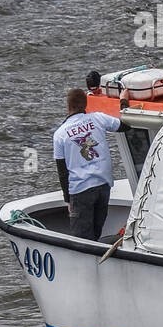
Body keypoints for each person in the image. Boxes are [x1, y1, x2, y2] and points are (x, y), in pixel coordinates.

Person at [53, 88, 125, 242]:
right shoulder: (98, 118)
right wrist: (123, 101)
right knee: (95, 233)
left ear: (68, 107)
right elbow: (124, 125)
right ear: (86, 104)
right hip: (103, 185)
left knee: (82, 242)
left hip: (80, 190)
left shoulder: (60, 134)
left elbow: (62, 171)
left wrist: (68, 201)